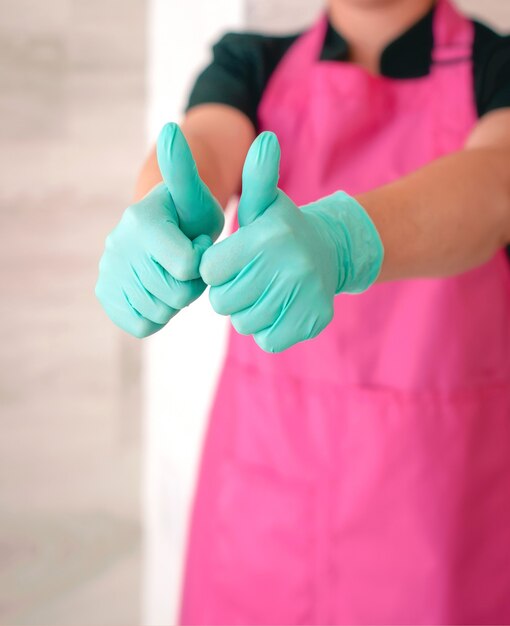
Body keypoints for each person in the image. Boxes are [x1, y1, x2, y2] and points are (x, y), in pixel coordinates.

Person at [96, 0, 510, 622]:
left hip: (439, 517)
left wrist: (346, 241)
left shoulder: (496, 67)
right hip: (264, 514)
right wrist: (165, 205)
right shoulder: (249, 62)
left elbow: (496, 181)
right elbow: (207, 142)